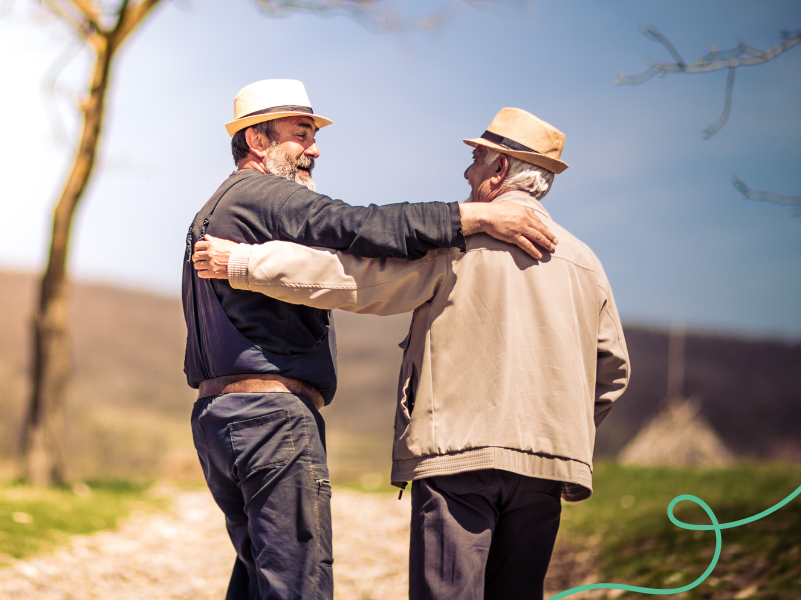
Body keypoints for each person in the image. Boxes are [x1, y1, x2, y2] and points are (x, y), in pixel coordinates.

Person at [193, 107, 631, 600]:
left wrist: (245, 261)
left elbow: (355, 279)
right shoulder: (586, 263)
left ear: (500, 170)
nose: (468, 172)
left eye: (476, 159)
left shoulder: (461, 246)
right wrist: (560, 427)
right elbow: (612, 371)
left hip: (459, 455)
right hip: (550, 464)